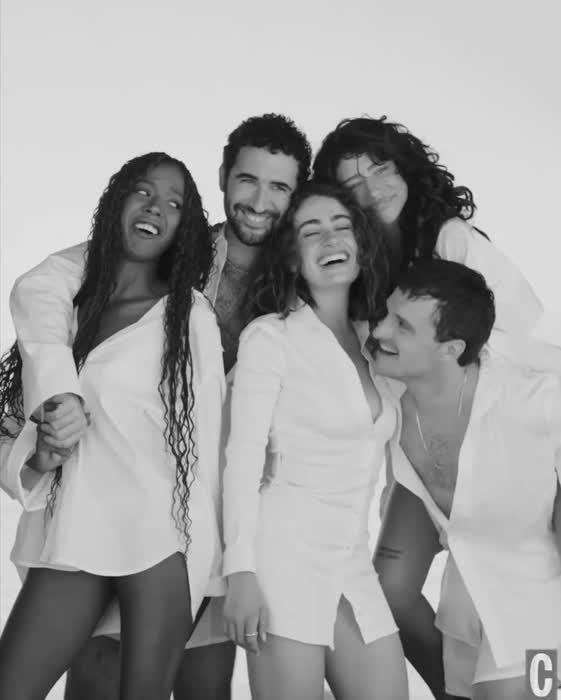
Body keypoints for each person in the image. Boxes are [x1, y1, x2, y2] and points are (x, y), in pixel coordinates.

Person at [6, 113, 312, 699]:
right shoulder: (176, 250)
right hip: (99, 509)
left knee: (202, 687)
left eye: (279, 187)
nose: (259, 200)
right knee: (93, 677)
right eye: (248, 180)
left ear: (295, 196)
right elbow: (44, 286)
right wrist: (58, 391)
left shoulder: (303, 287)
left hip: (206, 520)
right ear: (224, 177)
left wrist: (237, 558)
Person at [314, 115, 561, 697]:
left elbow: (524, 337)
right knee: (391, 589)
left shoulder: (452, 241)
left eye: (381, 168)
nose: (374, 188)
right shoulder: (360, 267)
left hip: (501, 438)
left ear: (405, 167)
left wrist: (536, 452)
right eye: (352, 183)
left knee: (528, 610)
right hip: (419, 449)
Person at [0, 152, 226, 700]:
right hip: (78, 528)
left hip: (160, 539)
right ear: (116, 200)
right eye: (143, 191)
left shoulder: (190, 315)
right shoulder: (71, 305)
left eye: (174, 203)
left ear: (184, 226)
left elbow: (208, 447)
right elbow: (22, 420)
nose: (155, 208)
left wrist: (211, 572)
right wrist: (42, 447)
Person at [222, 181, 409, 700]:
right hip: (281, 557)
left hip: (352, 558)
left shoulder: (377, 340)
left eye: (341, 226)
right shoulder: (271, 337)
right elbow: (242, 460)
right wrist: (240, 572)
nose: (330, 239)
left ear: (360, 244)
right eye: (311, 231)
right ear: (292, 258)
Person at [370, 259, 561, 700]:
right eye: (385, 314)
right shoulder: (388, 394)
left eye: (402, 326)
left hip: (540, 623)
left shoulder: (536, 400)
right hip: (463, 619)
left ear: (451, 349)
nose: (379, 330)